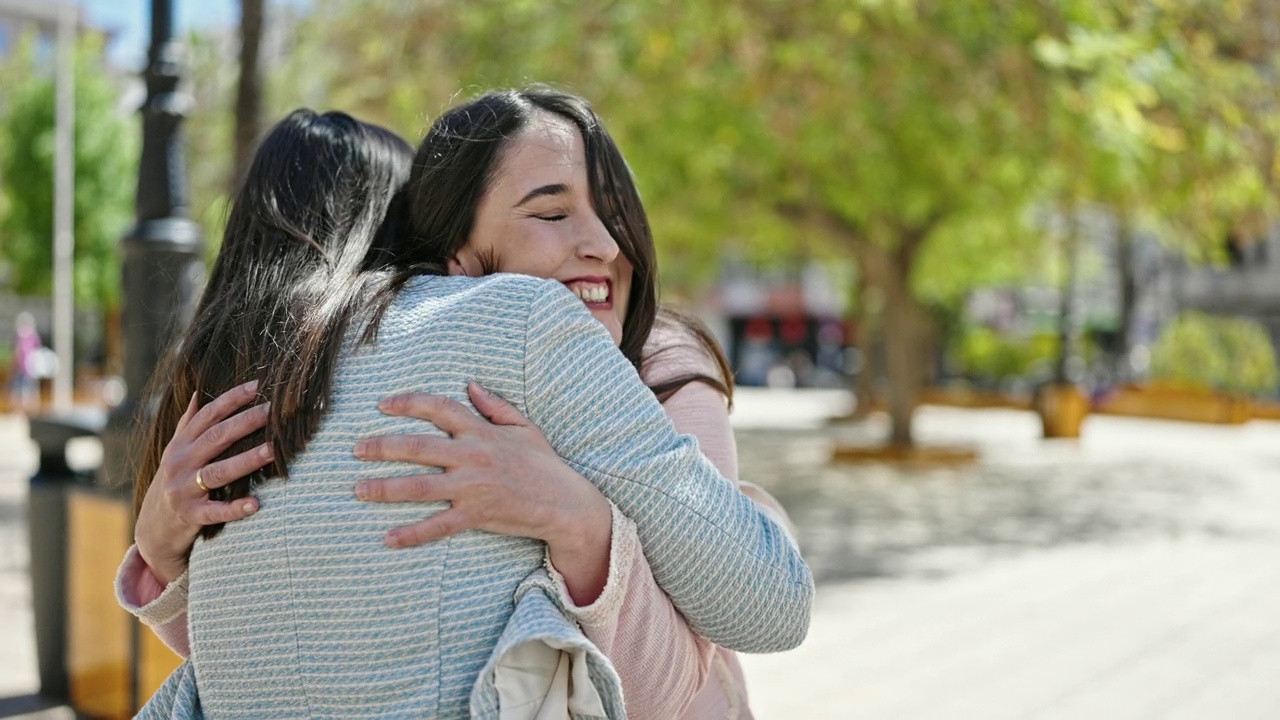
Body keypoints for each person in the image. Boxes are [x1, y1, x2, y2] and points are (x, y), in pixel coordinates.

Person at [119, 98, 810, 719]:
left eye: (611, 215)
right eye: (550, 212)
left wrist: (579, 522)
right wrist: (159, 548)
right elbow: (320, 635)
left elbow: (703, 664)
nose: (604, 243)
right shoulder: (506, 331)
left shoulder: (660, 367)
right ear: (447, 250)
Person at [8, 312, 42, 413]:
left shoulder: (25, 337)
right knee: (22, 389)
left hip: (26, 368)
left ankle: (25, 408)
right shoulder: (29, 337)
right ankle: (23, 409)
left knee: (25, 389)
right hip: (25, 368)